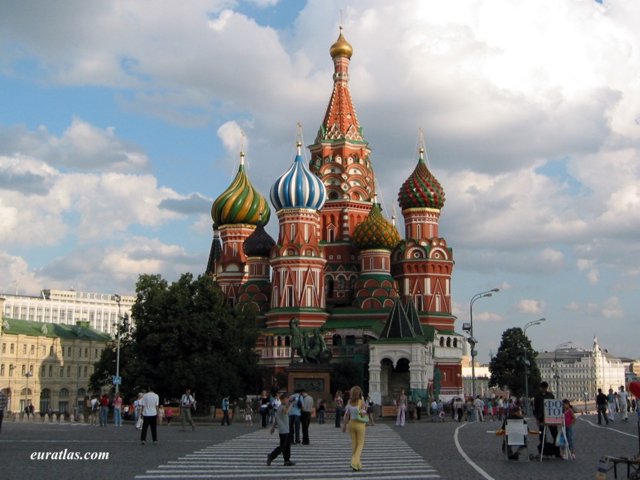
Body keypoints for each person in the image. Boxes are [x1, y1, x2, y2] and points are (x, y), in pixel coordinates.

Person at [342, 386, 368, 472]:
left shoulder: (349, 402)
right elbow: (363, 414)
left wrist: (344, 425)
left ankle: (358, 465)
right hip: (360, 424)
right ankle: (354, 461)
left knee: (354, 443)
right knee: (360, 444)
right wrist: (363, 410)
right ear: (359, 393)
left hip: (351, 424)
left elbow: (347, 415)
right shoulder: (361, 402)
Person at [266, 393, 295, 467]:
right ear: (282, 399)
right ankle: (271, 456)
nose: (288, 400)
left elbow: (277, 419)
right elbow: (286, 411)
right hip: (283, 430)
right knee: (282, 447)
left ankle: (287, 460)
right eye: (287, 399)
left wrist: (273, 427)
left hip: (286, 430)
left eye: (288, 399)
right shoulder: (282, 407)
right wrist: (291, 404)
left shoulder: (282, 407)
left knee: (287, 446)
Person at [533, 381, 560, 458]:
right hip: (541, 418)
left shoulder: (550, 395)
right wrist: (537, 419)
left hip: (551, 418)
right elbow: (536, 408)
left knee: (555, 435)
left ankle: (556, 452)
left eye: (542, 387)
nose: (541, 389)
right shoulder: (537, 396)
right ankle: (543, 452)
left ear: (545, 388)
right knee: (542, 436)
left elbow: (554, 406)